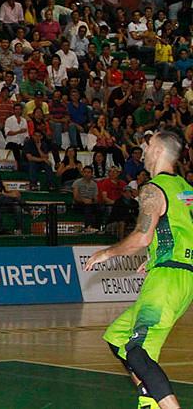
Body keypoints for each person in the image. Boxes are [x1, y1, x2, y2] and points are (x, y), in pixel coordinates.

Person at [85, 131, 192, 409]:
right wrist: (159, 255)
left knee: (137, 351)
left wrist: (107, 253)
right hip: (180, 273)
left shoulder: (153, 189)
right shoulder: (186, 189)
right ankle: (150, 399)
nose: (143, 150)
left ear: (157, 150)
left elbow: (142, 236)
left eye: (148, 144)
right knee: (118, 337)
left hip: (168, 279)